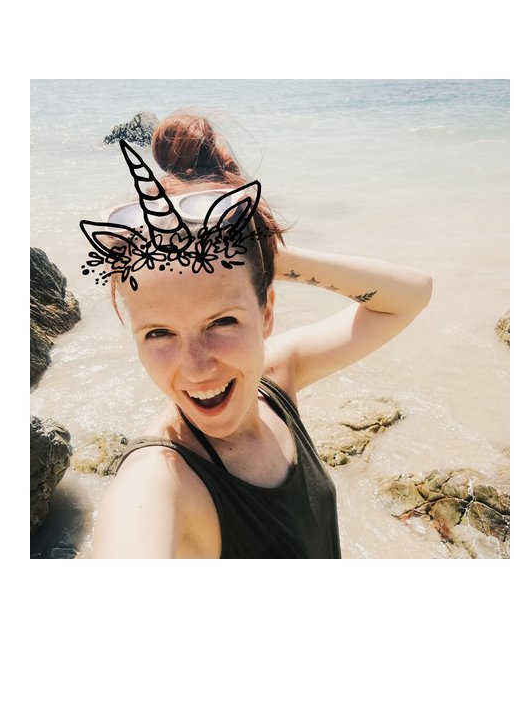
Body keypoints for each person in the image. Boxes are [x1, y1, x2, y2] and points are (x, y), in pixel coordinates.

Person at [87, 113, 432, 558]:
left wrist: (263, 253)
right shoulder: (159, 480)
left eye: (221, 322)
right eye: (158, 333)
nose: (195, 367)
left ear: (266, 311)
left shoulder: (277, 379)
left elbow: (410, 295)